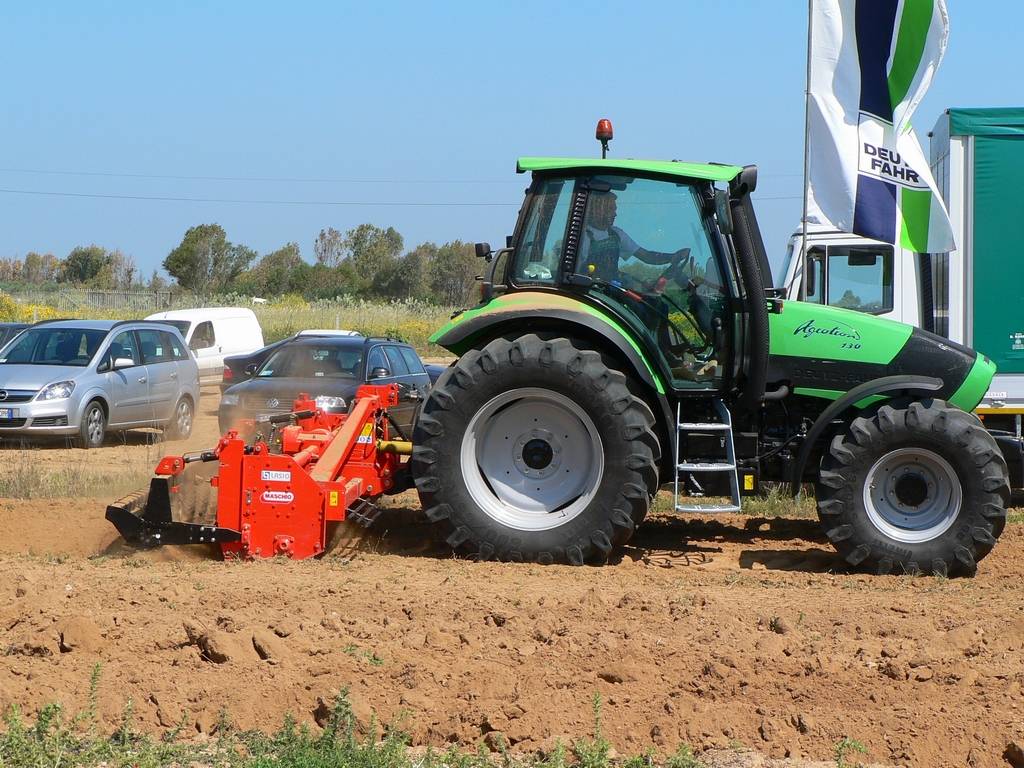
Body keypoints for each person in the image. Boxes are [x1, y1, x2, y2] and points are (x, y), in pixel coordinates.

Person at [581, 191, 689, 286]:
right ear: (597, 209)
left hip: (611, 289)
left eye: (614, 210)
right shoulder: (583, 237)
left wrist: (672, 257)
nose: (615, 214)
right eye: (610, 209)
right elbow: (579, 273)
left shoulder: (616, 234)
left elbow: (647, 256)